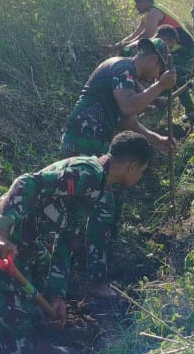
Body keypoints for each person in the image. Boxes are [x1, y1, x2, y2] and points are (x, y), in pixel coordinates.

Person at [0, 133, 153, 354]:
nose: (139, 178)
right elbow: (26, 182)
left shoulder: (99, 188)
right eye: (142, 172)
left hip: (27, 240)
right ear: (132, 167)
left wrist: (57, 294)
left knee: (36, 284)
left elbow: (65, 239)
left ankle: (40, 348)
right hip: (4, 238)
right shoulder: (86, 173)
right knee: (14, 315)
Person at [60, 38, 175, 283]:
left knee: (101, 203)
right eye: (158, 72)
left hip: (95, 142)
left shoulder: (128, 77)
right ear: (153, 60)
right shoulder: (123, 67)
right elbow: (127, 105)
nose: (155, 77)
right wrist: (160, 87)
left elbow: (129, 122)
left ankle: (89, 259)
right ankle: (93, 279)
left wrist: (157, 139)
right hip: (83, 140)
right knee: (99, 206)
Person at [155, 24, 194, 128]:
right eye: (164, 40)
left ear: (176, 40)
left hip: (180, 77)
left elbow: (184, 66)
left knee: (181, 86)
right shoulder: (157, 52)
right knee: (159, 96)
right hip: (163, 79)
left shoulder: (181, 52)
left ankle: (190, 112)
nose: (167, 43)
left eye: (170, 40)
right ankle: (158, 120)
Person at [113, 0, 188, 53]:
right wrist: (117, 46)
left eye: (138, 2)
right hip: (172, 46)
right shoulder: (147, 15)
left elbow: (147, 35)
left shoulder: (154, 11)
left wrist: (127, 46)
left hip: (183, 48)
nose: (136, 6)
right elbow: (135, 34)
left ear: (145, 1)